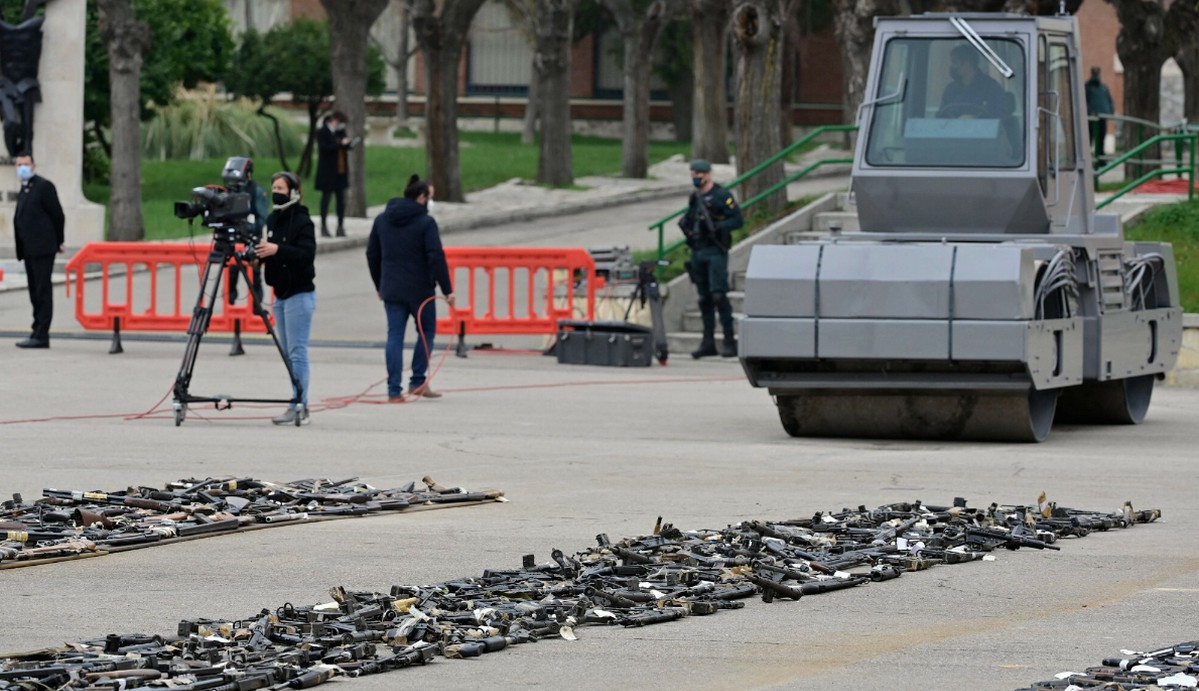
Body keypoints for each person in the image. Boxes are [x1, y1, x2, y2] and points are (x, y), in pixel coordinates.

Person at [366, 174, 455, 401]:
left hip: (392, 289)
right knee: (426, 333)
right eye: (430, 197)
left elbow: (372, 254)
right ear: (422, 196)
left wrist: (379, 284)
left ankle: (393, 391)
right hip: (421, 291)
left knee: (394, 336)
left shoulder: (382, 219)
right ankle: (417, 381)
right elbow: (436, 256)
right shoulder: (426, 223)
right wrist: (447, 290)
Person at [254, 171, 317, 426]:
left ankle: (299, 403)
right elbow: (272, 251)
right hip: (279, 294)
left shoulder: (303, 221)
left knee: (297, 351)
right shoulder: (272, 218)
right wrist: (261, 255)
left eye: (280, 187)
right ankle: (297, 400)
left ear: (293, 192)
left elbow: (306, 254)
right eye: (274, 187)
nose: (276, 191)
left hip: (300, 295)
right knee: (288, 353)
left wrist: (277, 250)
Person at [678, 159, 743, 359]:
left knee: (718, 296)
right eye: (693, 174)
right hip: (698, 251)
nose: (696, 177)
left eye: (699, 174)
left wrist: (717, 227)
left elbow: (737, 220)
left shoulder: (721, 195)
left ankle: (729, 341)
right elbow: (689, 218)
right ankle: (708, 342)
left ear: (708, 174)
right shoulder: (695, 197)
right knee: (704, 299)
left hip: (715, 251)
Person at [12, 151, 63, 349]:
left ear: (33, 166)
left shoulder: (44, 187)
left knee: (42, 290)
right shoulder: (25, 189)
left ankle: (42, 334)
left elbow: (57, 216)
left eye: (25, 164)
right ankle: (36, 329)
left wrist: (59, 241)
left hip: (43, 248)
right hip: (29, 250)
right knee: (34, 291)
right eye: (18, 165)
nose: (22, 168)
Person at [939, 44, 1009, 119]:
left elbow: (998, 116)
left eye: (955, 62)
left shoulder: (991, 88)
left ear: (967, 63)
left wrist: (975, 119)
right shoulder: (950, 90)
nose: (952, 66)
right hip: (953, 130)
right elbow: (940, 116)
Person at [315, 110, 353, 238]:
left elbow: (344, 146)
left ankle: (340, 226)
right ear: (333, 120)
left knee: (340, 200)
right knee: (326, 199)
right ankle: (324, 226)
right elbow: (325, 148)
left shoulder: (340, 132)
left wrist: (348, 144)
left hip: (340, 171)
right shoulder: (322, 132)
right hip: (327, 172)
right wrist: (339, 144)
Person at [1085, 66, 1114, 164]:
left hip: (1102, 118)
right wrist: (1089, 112)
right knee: (1089, 138)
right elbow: (1085, 102)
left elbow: (1109, 101)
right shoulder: (1087, 87)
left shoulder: (1103, 87)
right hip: (1091, 118)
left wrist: (1110, 112)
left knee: (1101, 138)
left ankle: (1100, 159)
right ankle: (1088, 159)